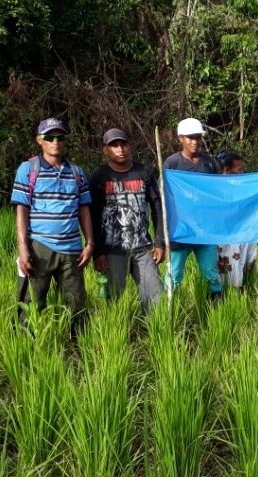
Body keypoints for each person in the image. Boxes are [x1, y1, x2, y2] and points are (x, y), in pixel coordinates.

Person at [12, 118, 94, 336]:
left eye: (60, 137)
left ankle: (79, 347)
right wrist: (23, 247)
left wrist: (89, 243)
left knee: (76, 302)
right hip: (40, 245)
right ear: (40, 140)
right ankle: (28, 346)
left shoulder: (77, 172)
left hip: (72, 249)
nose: (55, 142)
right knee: (32, 301)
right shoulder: (28, 169)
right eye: (49, 137)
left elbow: (84, 209)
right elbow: (22, 209)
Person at [89, 128, 164, 310]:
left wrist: (160, 242)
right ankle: (116, 334)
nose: (120, 149)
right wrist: (98, 252)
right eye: (114, 145)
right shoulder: (99, 176)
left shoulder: (144, 172)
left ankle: (157, 333)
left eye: (123, 144)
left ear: (129, 146)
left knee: (156, 296)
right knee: (114, 301)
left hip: (143, 248)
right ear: (105, 150)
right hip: (112, 250)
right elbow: (93, 214)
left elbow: (157, 208)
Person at [162, 117, 224, 299]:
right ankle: (168, 311)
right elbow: (164, 196)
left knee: (211, 274)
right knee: (174, 275)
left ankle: (216, 309)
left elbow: (218, 194)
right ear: (180, 138)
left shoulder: (210, 164)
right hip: (180, 231)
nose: (195, 142)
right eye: (190, 138)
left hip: (205, 231)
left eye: (197, 137)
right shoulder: (171, 164)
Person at [216, 151, 258, 289]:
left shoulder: (243, 187)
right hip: (224, 236)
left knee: (243, 264)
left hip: (242, 233)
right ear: (227, 170)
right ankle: (224, 297)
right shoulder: (216, 188)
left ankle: (240, 293)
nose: (242, 173)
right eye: (239, 170)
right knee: (226, 267)